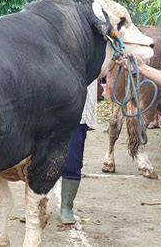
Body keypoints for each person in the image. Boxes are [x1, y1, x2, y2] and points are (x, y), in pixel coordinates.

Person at [60, 80, 97, 225]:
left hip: (77, 107)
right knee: (38, 159)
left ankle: (66, 206)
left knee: (73, 160)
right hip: (45, 105)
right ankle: (35, 205)